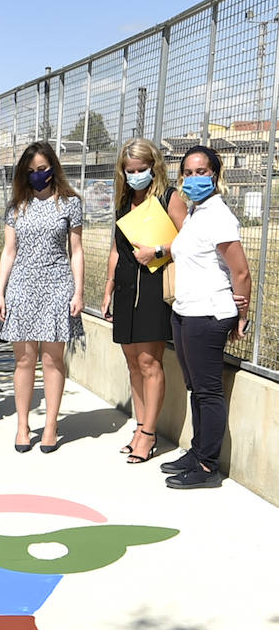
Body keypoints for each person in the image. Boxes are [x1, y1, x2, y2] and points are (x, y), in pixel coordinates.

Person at [162, 145, 252, 490]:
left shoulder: (219, 215)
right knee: (195, 389)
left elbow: (240, 271)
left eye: (203, 172)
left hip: (209, 314)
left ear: (216, 175)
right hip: (185, 311)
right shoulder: (196, 212)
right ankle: (196, 450)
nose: (195, 178)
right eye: (188, 172)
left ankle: (206, 465)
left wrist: (242, 316)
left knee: (209, 391)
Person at [0, 141, 84, 454]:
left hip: (58, 286)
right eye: (30, 171)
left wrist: (79, 290)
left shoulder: (69, 203)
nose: (37, 175)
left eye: (42, 170)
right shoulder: (16, 206)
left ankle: (50, 425)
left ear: (53, 168)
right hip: (22, 286)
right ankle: (22, 424)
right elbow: (8, 252)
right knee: (23, 359)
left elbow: (77, 251)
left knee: (52, 359)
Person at [101, 139, 187, 465]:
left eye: (142, 169)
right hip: (125, 289)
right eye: (130, 170)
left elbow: (189, 239)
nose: (136, 175)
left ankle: (149, 434)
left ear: (154, 167)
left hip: (154, 288)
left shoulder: (169, 198)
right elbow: (115, 247)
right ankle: (139, 427)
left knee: (150, 363)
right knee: (133, 363)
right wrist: (108, 288)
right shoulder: (124, 201)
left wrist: (158, 251)